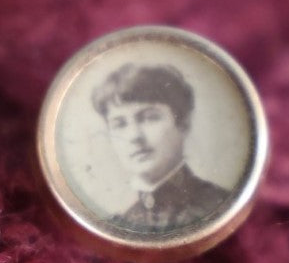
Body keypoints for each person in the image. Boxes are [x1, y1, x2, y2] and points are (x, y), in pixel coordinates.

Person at [92, 63, 228, 231]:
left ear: (183, 123)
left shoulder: (218, 205)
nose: (134, 136)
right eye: (119, 124)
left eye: (149, 118)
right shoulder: (121, 224)